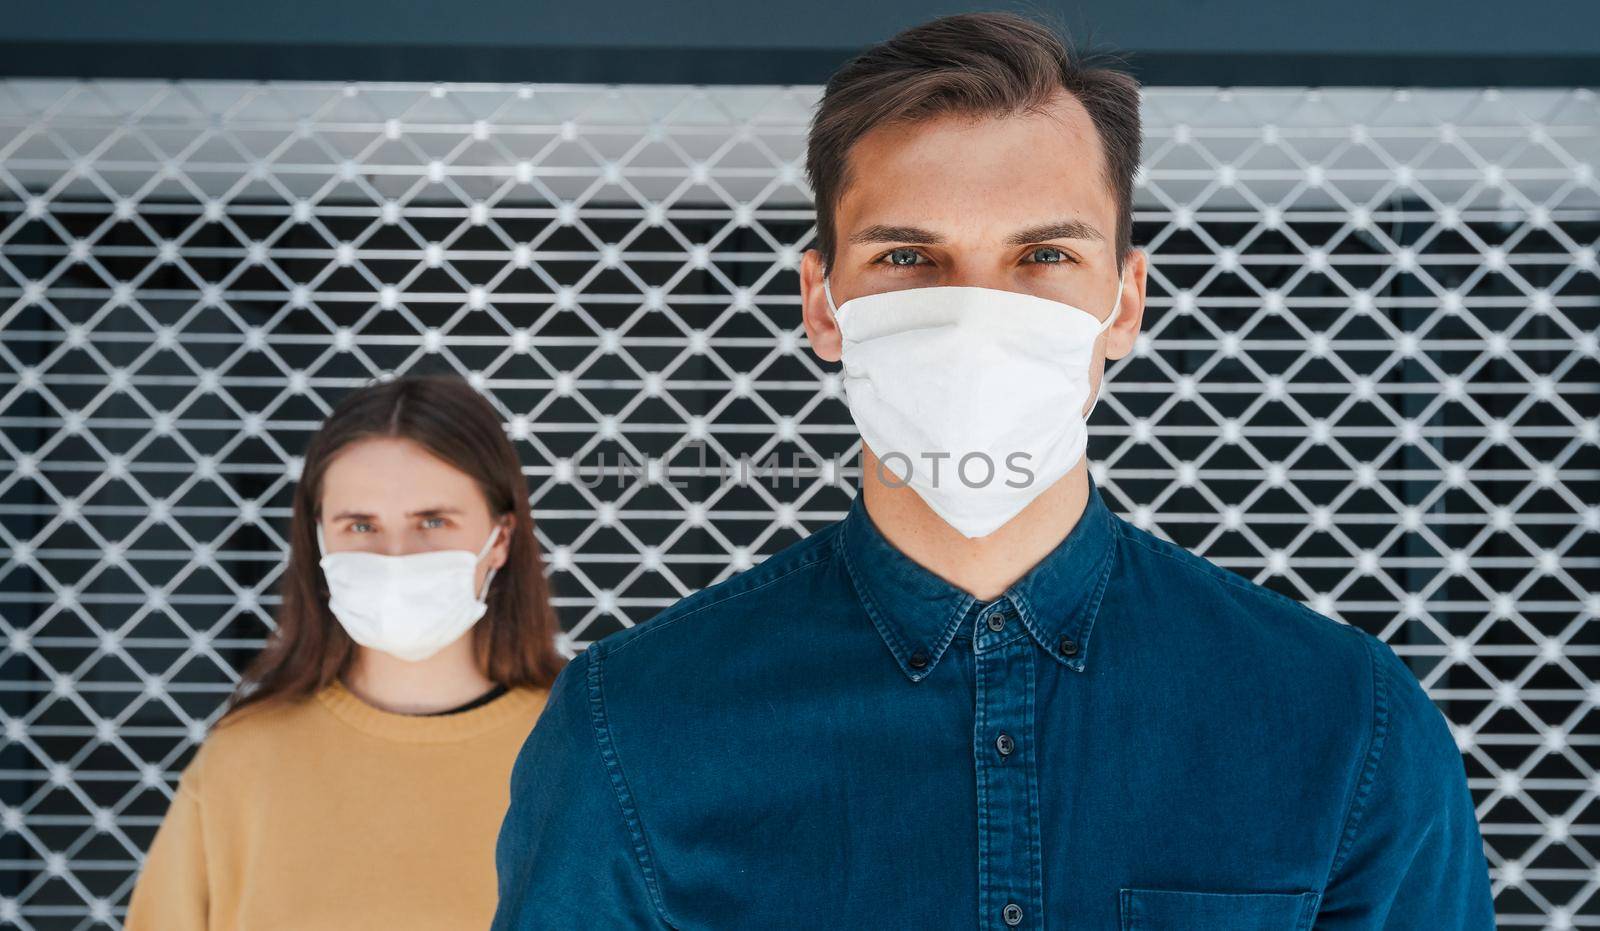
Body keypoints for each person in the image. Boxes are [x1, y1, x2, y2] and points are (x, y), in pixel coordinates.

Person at [491, 12, 1496, 930]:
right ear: (822, 303)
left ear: (1126, 301)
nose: (975, 313)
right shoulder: (634, 730)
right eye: (906, 258)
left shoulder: (1344, 726)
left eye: (1044, 256)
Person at [126, 373, 565, 930]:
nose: (396, 555)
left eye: (433, 521)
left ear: (500, 538)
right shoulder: (242, 763)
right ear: (319, 538)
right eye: (361, 525)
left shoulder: (585, 752)